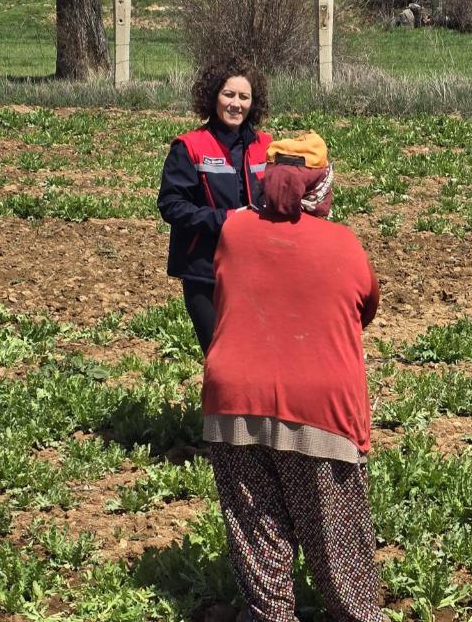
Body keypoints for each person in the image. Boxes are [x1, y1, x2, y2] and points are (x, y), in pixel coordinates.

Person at [201, 132, 384, 622]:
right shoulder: (342, 242)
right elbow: (363, 308)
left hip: (233, 398)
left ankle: (270, 614)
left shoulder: (235, 232)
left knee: (258, 532)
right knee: (336, 540)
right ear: (321, 187)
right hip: (319, 409)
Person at [157, 56, 272, 355]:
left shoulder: (267, 146)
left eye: (244, 97)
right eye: (228, 94)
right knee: (220, 355)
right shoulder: (189, 146)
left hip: (253, 268)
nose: (236, 104)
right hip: (204, 269)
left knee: (254, 353)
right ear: (213, 97)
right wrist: (227, 219)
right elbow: (171, 206)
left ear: (253, 103)